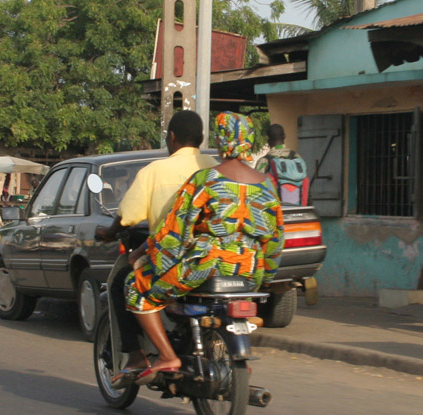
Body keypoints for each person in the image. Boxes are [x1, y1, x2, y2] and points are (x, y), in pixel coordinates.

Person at [123, 111, 285, 385]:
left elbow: (176, 233)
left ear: (221, 141)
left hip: (206, 266)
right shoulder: (268, 184)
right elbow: (276, 239)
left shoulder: (205, 180)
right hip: (249, 269)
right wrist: (265, 279)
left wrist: (144, 256)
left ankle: (167, 356)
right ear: (249, 141)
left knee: (135, 288)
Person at [97, 110, 218, 385]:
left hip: (173, 258)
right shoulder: (217, 168)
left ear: (171, 137)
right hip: (216, 257)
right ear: (201, 138)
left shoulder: (154, 171)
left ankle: (138, 355)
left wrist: (108, 232)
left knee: (122, 284)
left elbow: (127, 215)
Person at [255, 124, 309, 206]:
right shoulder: (296, 158)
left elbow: (257, 188)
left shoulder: (264, 161)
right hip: (297, 210)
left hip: (275, 211)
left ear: (267, 139)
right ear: (284, 136)